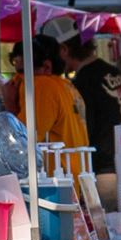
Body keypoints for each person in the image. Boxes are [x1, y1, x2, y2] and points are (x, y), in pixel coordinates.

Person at [21, 16, 94, 171]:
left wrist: (8, 102)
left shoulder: (43, 86)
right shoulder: (67, 85)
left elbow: (22, 141)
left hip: (57, 184)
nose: (20, 78)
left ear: (46, 66)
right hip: (79, 175)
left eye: (23, 70)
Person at [68, 31, 121, 176]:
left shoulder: (83, 82)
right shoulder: (114, 71)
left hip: (101, 166)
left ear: (64, 50)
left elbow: (84, 126)